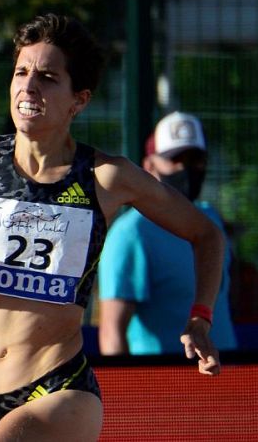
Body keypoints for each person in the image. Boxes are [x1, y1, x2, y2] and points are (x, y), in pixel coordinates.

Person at [0, 15, 223, 441]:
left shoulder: (105, 177)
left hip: (58, 388)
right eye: (21, 72)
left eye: (46, 77)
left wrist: (201, 318)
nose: (28, 86)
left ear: (78, 100)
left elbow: (206, 233)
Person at [99, 112, 238, 356]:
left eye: (195, 160)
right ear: (149, 166)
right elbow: (112, 332)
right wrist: (121, 391)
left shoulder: (210, 221)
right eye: (175, 160)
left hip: (226, 378)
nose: (186, 169)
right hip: (164, 386)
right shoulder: (131, 234)